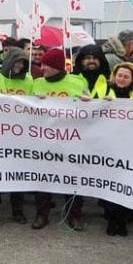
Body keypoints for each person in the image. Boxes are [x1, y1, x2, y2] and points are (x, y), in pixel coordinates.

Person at [31, 48, 89, 230]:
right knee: (42, 178)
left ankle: (75, 214)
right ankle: (42, 214)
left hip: (70, 139)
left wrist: (87, 101)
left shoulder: (77, 82)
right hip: (44, 139)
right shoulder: (37, 83)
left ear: (57, 67)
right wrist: (33, 100)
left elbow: (91, 105)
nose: (42, 68)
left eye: (46, 65)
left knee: (72, 178)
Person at [0, 47, 33, 224]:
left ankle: (17, 210)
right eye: (17, 61)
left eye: (23, 63)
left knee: (17, 175)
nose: (19, 65)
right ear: (9, 61)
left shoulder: (29, 81)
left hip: (20, 137)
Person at [101, 62, 133, 236]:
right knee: (110, 182)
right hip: (109, 144)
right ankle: (112, 219)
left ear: (132, 79)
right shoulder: (105, 92)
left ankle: (123, 219)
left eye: (126, 76)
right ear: (114, 76)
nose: (122, 79)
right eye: (119, 75)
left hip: (131, 145)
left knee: (126, 182)